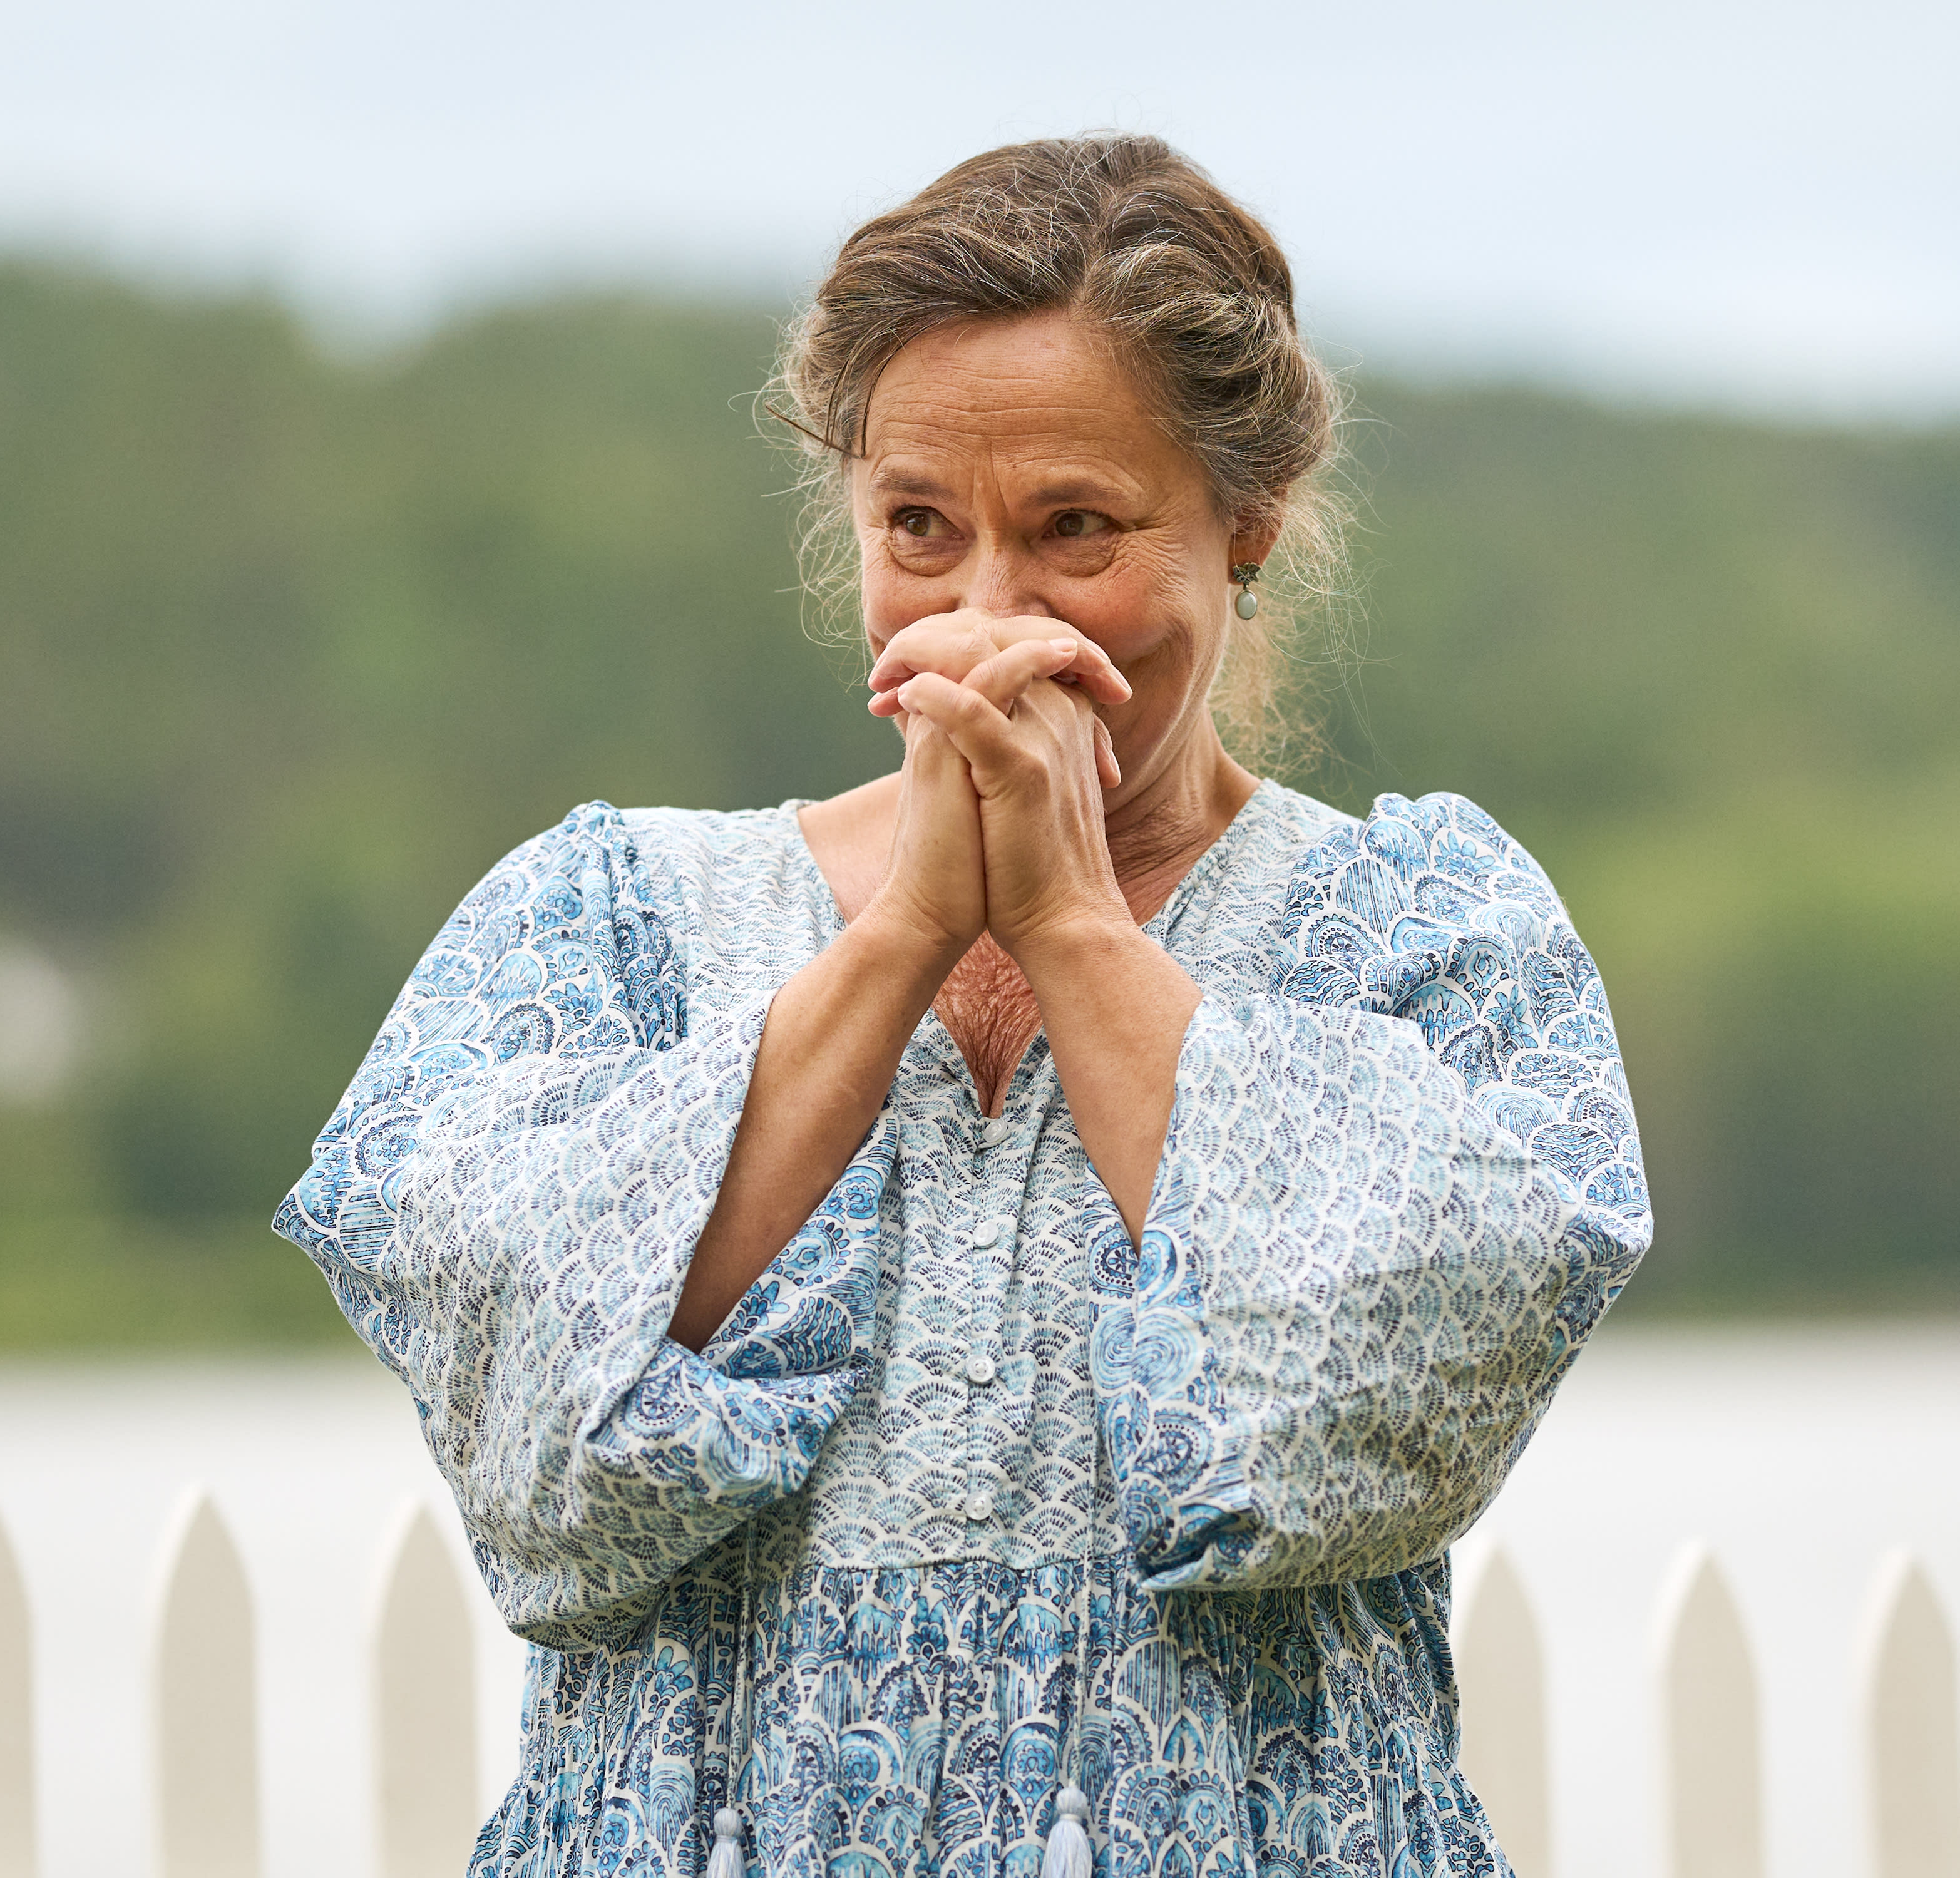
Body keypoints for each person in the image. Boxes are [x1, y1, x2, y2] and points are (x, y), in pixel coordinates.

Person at [276, 135, 1649, 1877]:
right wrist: (909, 928)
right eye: (919, 528)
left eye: (1074, 530)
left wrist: (1068, 917)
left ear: (1246, 523)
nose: (987, 619)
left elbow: (1363, 1416)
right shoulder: (600, 924)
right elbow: (539, 1455)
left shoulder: (1425, 932)